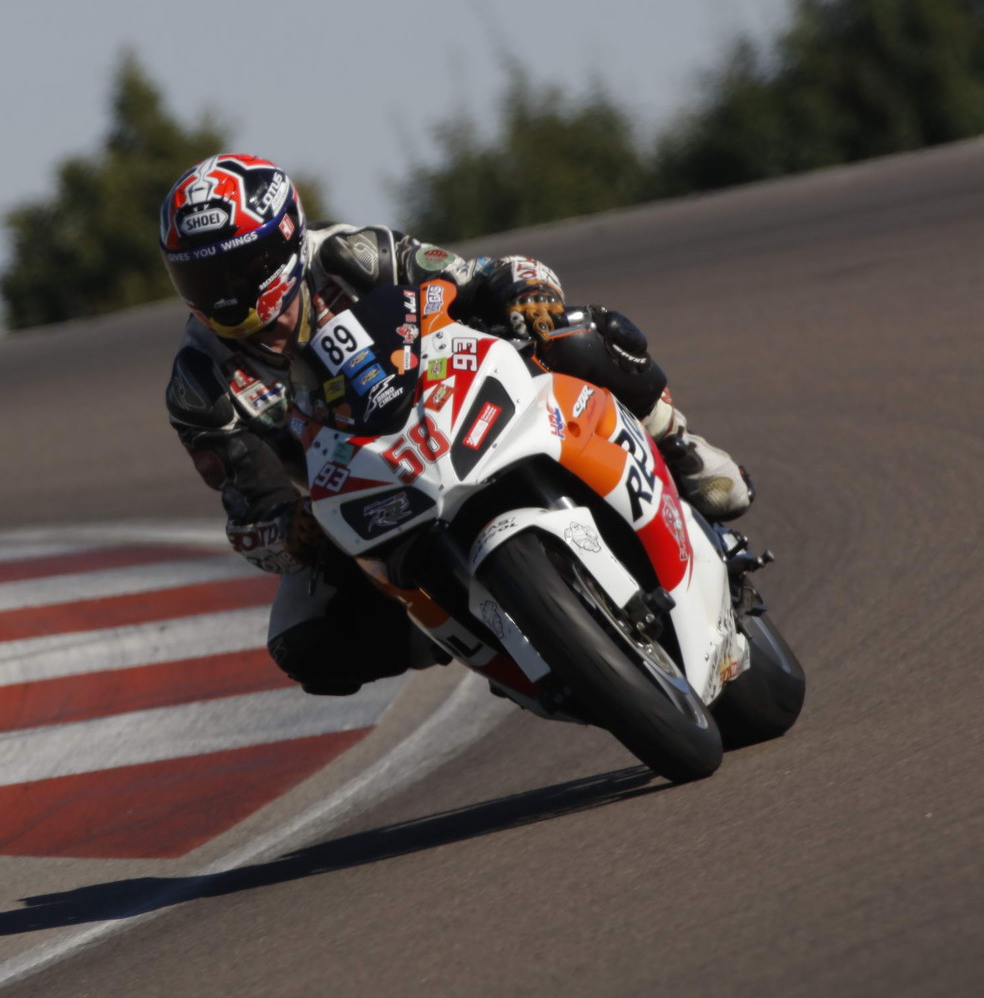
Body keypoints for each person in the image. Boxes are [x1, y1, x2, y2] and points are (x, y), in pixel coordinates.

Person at [161, 153, 755, 697]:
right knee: (305, 643)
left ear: (286, 239)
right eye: (202, 280)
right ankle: (474, 632)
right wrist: (289, 531)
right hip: (361, 494)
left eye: (239, 269)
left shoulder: (350, 255)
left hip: (451, 394)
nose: (224, 295)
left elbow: (477, 276)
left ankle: (678, 445)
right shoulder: (201, 384)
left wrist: (525, 293)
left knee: (571, 332)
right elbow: (252, 512)